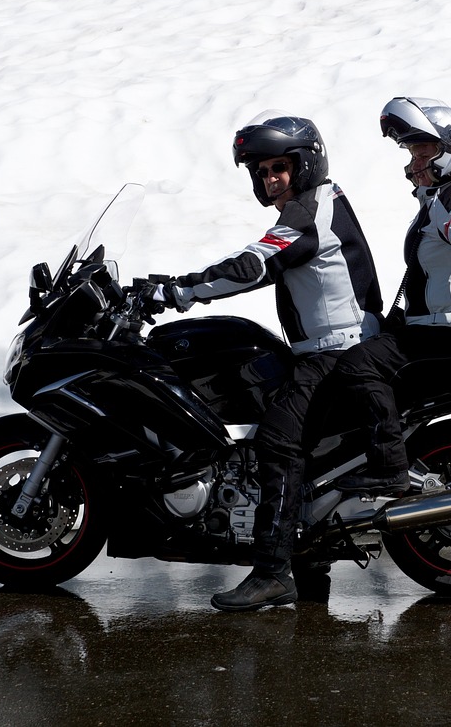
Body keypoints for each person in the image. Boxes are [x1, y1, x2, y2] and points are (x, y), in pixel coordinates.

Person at [146, 111, 382, 611]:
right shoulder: (317, 203)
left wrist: (180, 290)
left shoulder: (308, 214)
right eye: (263, 171)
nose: (271, 179)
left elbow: (255, 265)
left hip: (335, 351)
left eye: (280, 167)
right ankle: (309, 550)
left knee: (278, 443)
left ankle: (273, 571)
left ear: (305, 163)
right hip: (332, 345)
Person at [311, 97, 451, 495]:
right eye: (413, 150)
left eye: (424, 150)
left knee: (357, 365)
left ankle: (390, 467)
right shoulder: (446, 196)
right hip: (437, 325)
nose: (415, 160)